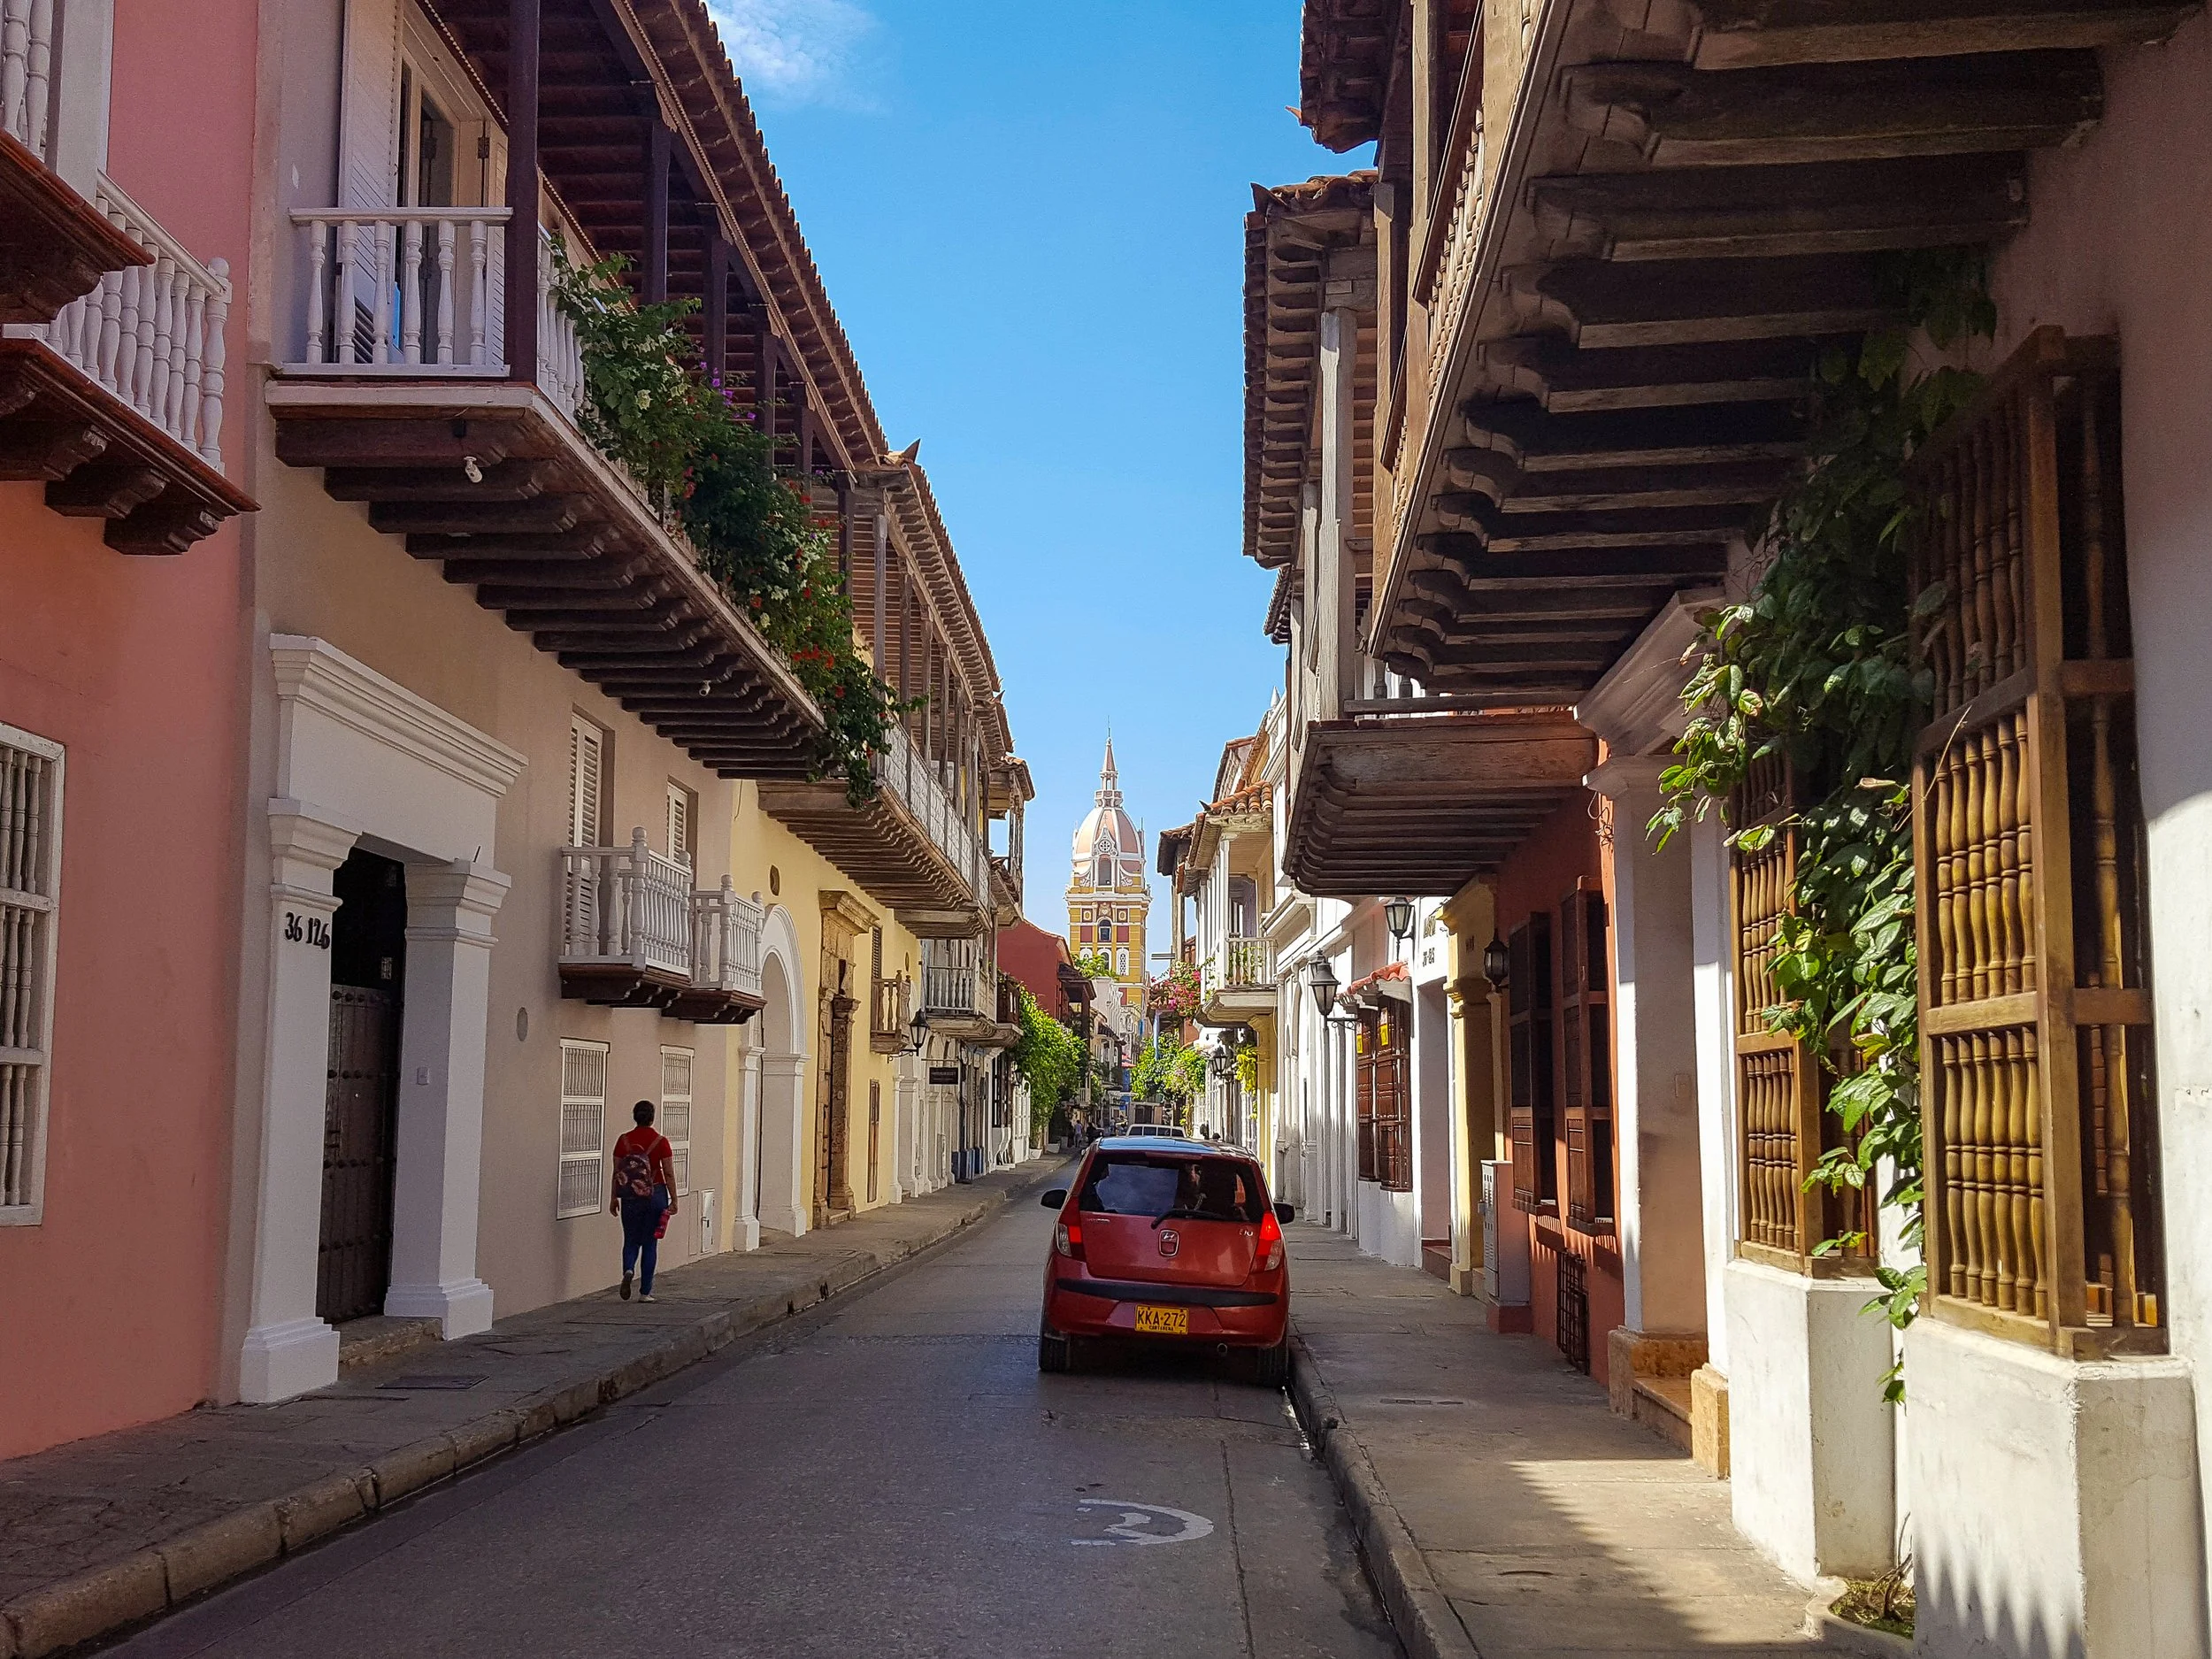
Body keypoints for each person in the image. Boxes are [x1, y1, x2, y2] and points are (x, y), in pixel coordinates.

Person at [610, 1100, 677, 1302]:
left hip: (630, 1196)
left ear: (634, 1116)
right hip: (655, 1194)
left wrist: (614, 1198)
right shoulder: (661, 1141)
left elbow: (616, 1173)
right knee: (650, 1243)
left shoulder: (623, 1141)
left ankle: (629, 1269)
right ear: (652, 1117)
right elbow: (669, 1173)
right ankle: (645, 1292)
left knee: (630, 1239)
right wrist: (674, 1199)